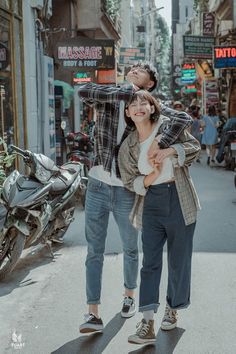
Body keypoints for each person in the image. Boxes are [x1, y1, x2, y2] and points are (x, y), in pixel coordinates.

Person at [78, 63, 193, 334]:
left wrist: (161, 143)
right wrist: (124, 92)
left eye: (141, 70)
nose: (133, 70)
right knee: (94, 250)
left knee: (132, 249)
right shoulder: (112, 96)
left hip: (127, 189)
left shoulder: (151, 106)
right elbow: (83, 90)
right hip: (97, 183)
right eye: (132, 67)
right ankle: (92, 313)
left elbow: (182, 119)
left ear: (150, 83)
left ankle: (130, 296)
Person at [118, 90, 200, 344]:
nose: (139, 107)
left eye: (144, 102)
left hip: (180, 198)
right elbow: (131, 181)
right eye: (133, 105)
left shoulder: (167, 128)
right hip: (151, 202)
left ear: (153, 108)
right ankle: (147, 322)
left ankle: (173, 309)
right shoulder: (129, 145)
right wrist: (151, 177)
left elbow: (194, 147)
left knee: (179, 261)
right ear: (128, 113)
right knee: (150, 263)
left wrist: (169, 150)